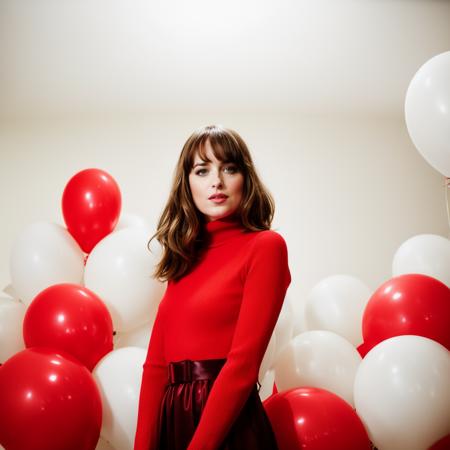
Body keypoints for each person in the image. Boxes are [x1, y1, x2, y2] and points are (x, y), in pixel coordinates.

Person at [134, 124, 291, 450]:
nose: (216, 181)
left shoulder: (265, 247)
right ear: (187, 183)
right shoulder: (182, 260)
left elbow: (243, 366)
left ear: (245, 178)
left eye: (229, 168)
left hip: (228, 426)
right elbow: (156, 369)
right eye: (202, 170)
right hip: (172, 421)